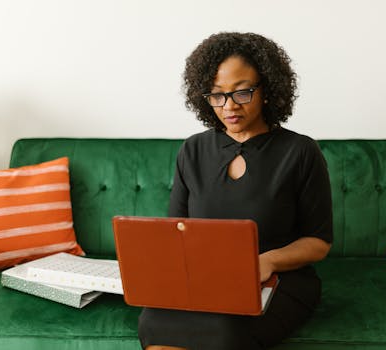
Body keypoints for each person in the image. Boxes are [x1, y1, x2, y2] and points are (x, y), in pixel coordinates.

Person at [139, 32, 333, 350]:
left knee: (225, 329)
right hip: (206, 280)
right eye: (217, 95)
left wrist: (267, 261)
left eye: (242, 93)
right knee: (154, 322)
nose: (229, 106)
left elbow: (318, 242)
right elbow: (176, 231)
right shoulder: (193, 149)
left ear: (267, 89)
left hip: (281, 279)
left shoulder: (300, 151)